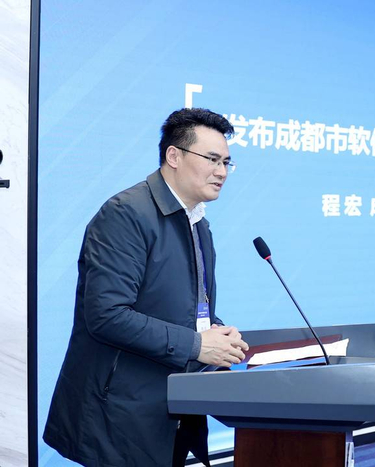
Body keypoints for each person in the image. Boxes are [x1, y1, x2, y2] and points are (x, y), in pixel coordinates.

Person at [43, 108, 249, 466]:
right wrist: (197, 344)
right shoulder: (126, 214)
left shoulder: (198, 223)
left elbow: (187, 305)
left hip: (175, 409)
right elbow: (107, 315)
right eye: (212, 159)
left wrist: (216, 332)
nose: (221, 172)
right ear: (174, 156)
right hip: (120, 417)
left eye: (226, 162)